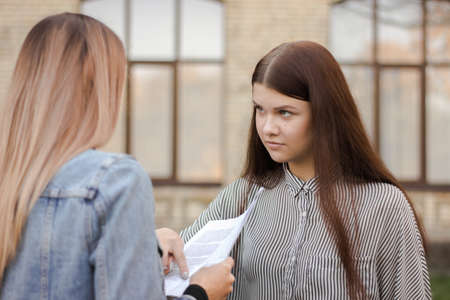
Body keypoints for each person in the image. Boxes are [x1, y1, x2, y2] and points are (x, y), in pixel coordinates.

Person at [168, 41, 431, 299]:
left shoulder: (384, 206)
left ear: (325, 114)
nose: (268, 127)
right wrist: (161, 243)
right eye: (260, 109)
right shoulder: (242, 197)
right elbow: (172, 270)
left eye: (285, 113)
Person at [0, 13, 234, 300]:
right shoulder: (114, 180)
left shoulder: (12, 181)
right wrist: (200, 292)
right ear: (99, 90)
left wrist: (143, 246)